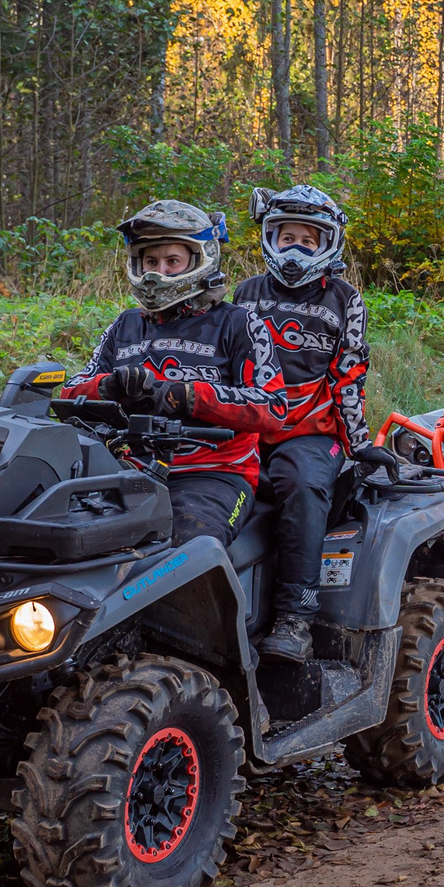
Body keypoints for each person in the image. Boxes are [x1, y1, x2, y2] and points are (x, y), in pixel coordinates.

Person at [63, 200, 299, 656]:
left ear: (200, 259)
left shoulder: (239, 322)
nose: (158, 271)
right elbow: (73, 390)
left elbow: (273, 407)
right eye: (150, 261)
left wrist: (185, 395)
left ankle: (226, 666)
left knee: (180, 558)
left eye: (172, 260)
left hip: (213, 475)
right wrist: (107, 387)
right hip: (124, 469)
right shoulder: (126, 325)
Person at [234, 185, 394, 663]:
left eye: (309, 239)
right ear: (269, 238)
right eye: (286, 237)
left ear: (329, 244)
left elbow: (349, 375)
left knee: (299, 483)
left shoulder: (345, 299)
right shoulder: (246, 293)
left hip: (311, 432)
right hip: (245, 423)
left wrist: (359, 443)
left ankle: (295, 618)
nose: (296, 248)